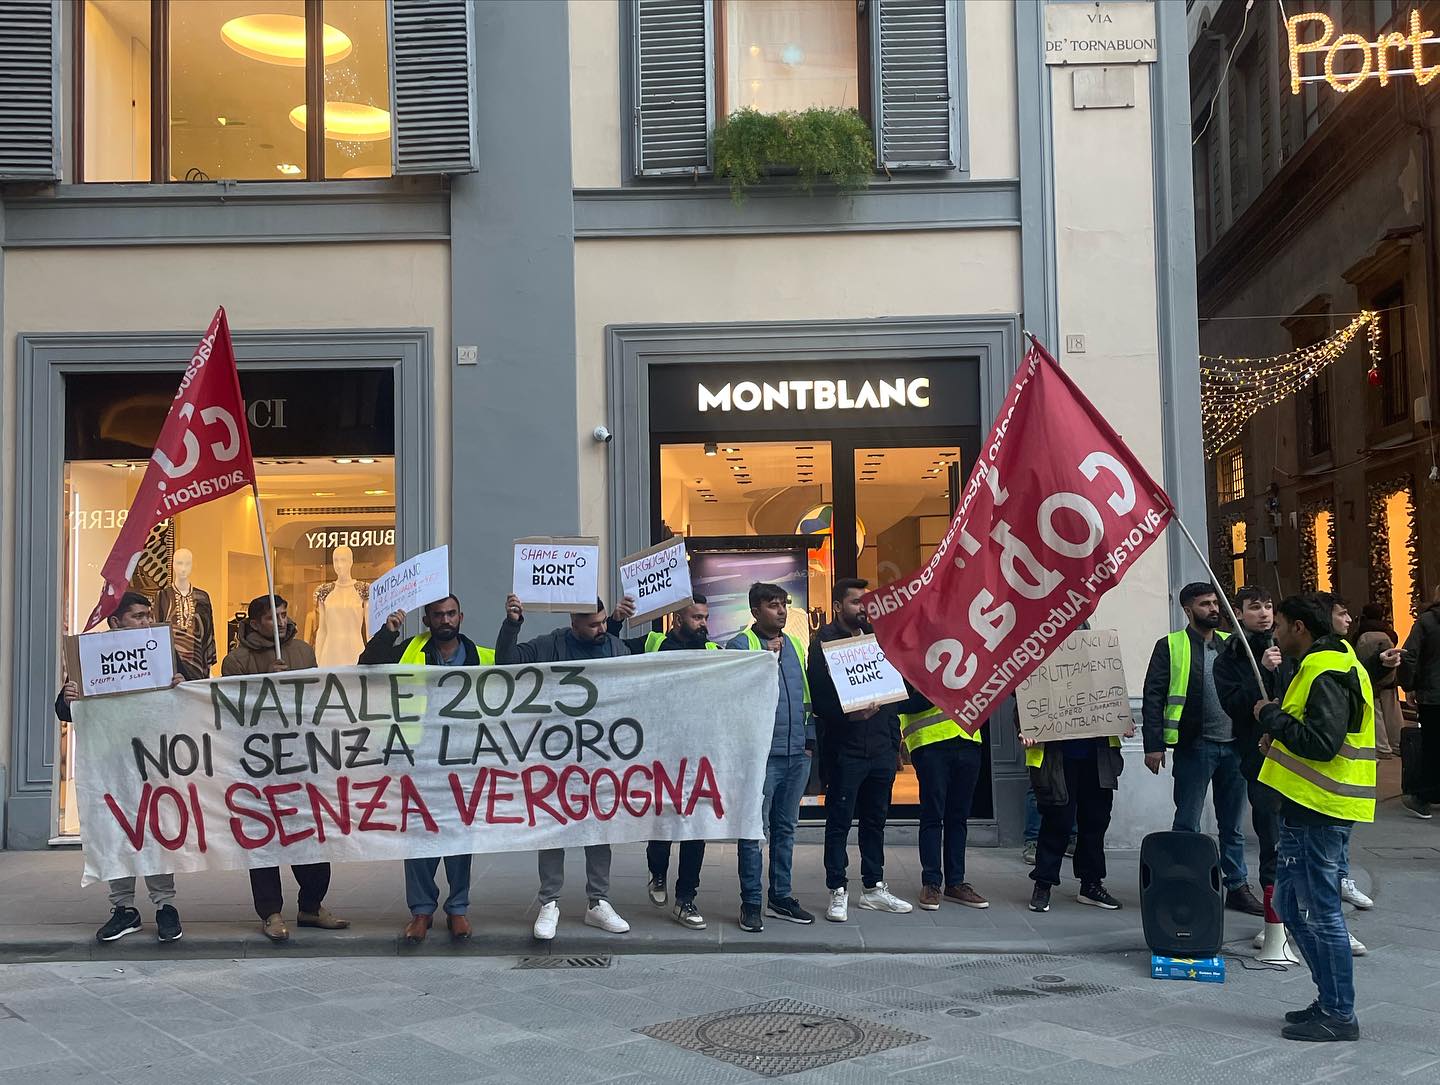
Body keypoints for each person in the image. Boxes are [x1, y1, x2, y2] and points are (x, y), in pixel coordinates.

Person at [1256, 593, 1376, 1042]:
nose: (1275, 632)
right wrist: (1278, 741)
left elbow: (1323, 742)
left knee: (1322, 913)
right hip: (1305, 805)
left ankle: (1339, 1012)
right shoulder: (1324, 662)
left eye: (1280, 624)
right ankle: (1328, 1000)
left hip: (1322, 808)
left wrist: (1270, 716)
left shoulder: (1326, 669)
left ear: (1300, 628)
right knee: (1289, 905)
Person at [57, 591, 197, 944]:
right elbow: (64, 711)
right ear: (115, 622)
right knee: (118, 830)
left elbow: (194, 692)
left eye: (148, 615)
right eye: (138, 616)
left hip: (154, 760)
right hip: (110, 762)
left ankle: (165, 905)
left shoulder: (163, 653)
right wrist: (68, 695)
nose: (147, 622)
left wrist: (183, 684)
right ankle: (124, 909)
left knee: (156, 829)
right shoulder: (91, 658)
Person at [497, 595, 631, 940]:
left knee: (600, 830)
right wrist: (513, 623)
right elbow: (507, 661)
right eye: (594, 625)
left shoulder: (616, 648)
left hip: (603, 756)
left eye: (604, 622)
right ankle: (549, 902)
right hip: (556, 756)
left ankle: (598, 902)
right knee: (554, 827)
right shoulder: (551, 645)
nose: (602, 628)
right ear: (574, 624)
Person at [359, 595, 490, 944]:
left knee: (460, 836)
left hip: (464, 758)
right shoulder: (408, 650)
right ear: (427, 620)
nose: (445, 620)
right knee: (418, 837)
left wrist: (513, 623)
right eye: (437, 615)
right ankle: (421, 911)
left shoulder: (482, 656)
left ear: (461, 616)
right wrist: (388, 633)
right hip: (418, 758)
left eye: (450, 614)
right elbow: (367, 665)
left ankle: (458, 908)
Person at [222, 595, 349, 943]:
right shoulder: (236, 661)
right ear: (254, 623)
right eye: (270, 617)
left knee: (310, 834)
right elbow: (234, 712)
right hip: (258, 764)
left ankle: (311, 904)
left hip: (300, 759)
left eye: (283, 613)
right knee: (263, 839)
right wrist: (266, 681)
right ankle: (271, 912)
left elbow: (313, 701)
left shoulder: (304, 652)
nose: (280, 621)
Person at [1141, 582, 1265, 917]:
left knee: (1233, 825)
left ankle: (1237, 886)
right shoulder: (1171, 646)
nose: (1213, 609)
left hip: (1235, 747)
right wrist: (1153, 745)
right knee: (1187, 822)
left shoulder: (1232, 644)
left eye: (1215, 603)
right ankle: (1187, 883)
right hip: (1195, 746)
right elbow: (1153, 697)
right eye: (1205, 604)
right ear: (1187, 609)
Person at [608, 593, 718, 931]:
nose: (703, 624)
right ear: (677, 619)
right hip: (658, 753)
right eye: (696, 618)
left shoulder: (714, 653)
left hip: (699, 753)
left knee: (695, 827)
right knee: (662, 822)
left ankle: (686, 897)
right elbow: (609, 651)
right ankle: (657, 870)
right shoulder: (652, 643)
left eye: (705, 617)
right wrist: (616, 618)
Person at [806, 579, 915, 920]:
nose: (863, 608)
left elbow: (897, 687)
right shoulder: (823, 642)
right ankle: (837, 889)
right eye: (855, 602)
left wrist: (892, 735)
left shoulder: (879, 639)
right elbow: (821, 698)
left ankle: (874, 887)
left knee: (875, 820)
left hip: (881, 746)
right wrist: (848, 715)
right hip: (846, 747)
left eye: (865, 602)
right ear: (838, 606)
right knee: (839, 821)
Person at [727, 582, 816, 933]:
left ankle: (780, 896)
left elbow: (804, 696)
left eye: (784, 604)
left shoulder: (795, 644)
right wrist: (769, 658)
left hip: (796, 754)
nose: (780, 610)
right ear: (755, 611)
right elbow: (736, 697)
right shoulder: (741, 646)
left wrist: (808, 743)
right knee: (753, 831)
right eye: (772, 605)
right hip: (761, 758)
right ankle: (751, 902)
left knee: (785, 829)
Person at [1213, 586, 1296, 947]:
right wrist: (1258, 672)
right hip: (1259, 755)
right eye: (1254, 607)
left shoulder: (1291, 647)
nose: (1263, 613)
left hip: (1296, 754)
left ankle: (1304, 911)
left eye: (1268, 606)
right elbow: (1234, 704)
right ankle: (1274, 920)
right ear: (1239, 612)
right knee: (1271, 838)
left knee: (1301, 836)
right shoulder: (1230, 657)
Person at [1023, 724, 1129, 913]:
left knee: (1096, 821)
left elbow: (1114, 697)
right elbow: (1025, 697)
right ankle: (1043, 885)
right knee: (1058, 822)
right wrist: (1025, 727)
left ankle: (1091, 884)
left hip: (1097, 755)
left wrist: (1122, 720)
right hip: (1057, 757)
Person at [1398, 584, 1440, 820]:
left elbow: (1410, 655)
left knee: (1432, 745)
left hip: (1433, 695)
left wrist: (1409, 686)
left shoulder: (1427, 621)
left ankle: (1424, 796)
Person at [1349, 604, 1402, 759]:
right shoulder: (1390, 634)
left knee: (1376, 713)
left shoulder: (1361, 634)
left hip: (1371, 679)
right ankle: (1398, 744)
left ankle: (1382, 747)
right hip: (1389, 680)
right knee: (1393, 713)